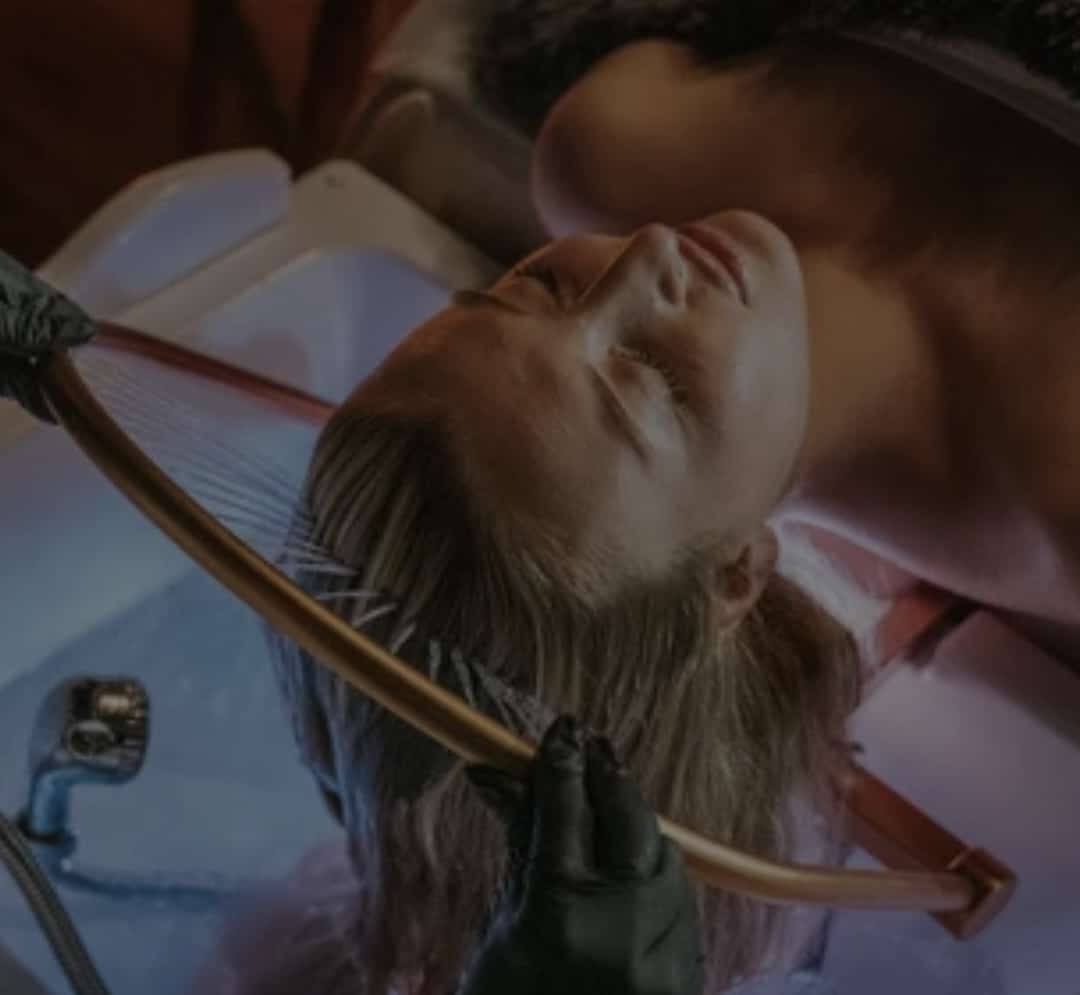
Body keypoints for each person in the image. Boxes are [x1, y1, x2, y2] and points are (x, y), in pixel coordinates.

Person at [460, 7, 1080, 627]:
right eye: (638, 378)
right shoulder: (1062, 491)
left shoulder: (608, 155)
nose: (643, 260)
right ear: (734, 570)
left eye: (539, 291)